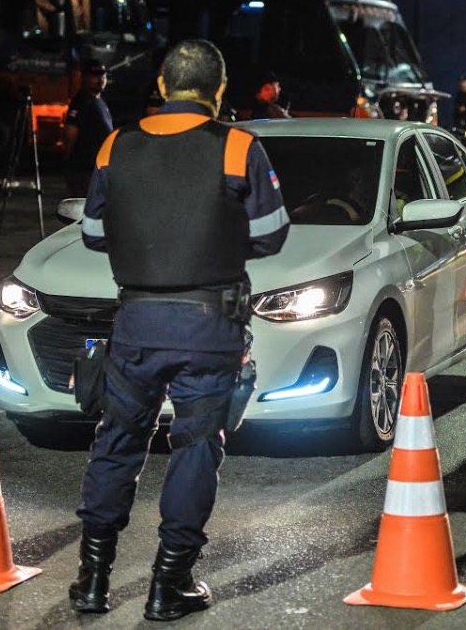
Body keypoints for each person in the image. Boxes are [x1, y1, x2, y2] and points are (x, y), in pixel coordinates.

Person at [72, 40, 289, 620]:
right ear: (219, 91)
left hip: (136, 321)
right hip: (209, 324)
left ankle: (91, 581)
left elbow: (93, 233)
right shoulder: (239, 145)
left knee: (116, 441)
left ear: (163, 88)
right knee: (195, 447)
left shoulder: (116, 143)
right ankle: (169, 586)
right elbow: (271, 234)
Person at [63, 59, 113, 197]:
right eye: (95, 76)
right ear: (84, 78)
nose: (100, 79)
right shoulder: (81, 102)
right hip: (83, 172)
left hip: (97, 170)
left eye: (103, 75)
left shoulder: (100, 102)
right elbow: (70, 134)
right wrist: (69, 165)